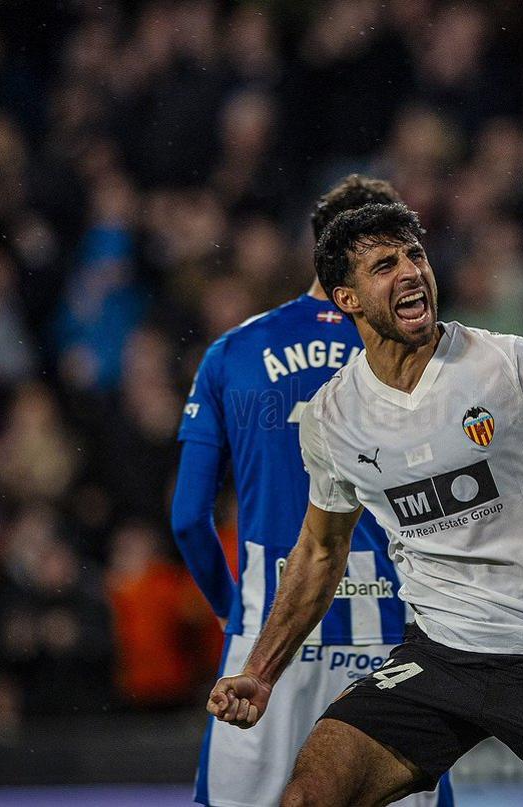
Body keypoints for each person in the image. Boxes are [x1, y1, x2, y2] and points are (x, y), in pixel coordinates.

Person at [209, 202, 523, 807]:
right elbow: (321, 552)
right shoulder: (330, 417)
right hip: (440, 656)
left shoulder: (508, 360)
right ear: (347, 298)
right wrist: (260, 673)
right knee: (311, 797)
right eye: (384, 265)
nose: (410, 272)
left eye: (415, 256)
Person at [172, 181, 454, 807]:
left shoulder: (232, 352)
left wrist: (231, 612)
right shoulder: (418, 352)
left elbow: (189, 518)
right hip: (391, 635)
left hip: (267, 636)